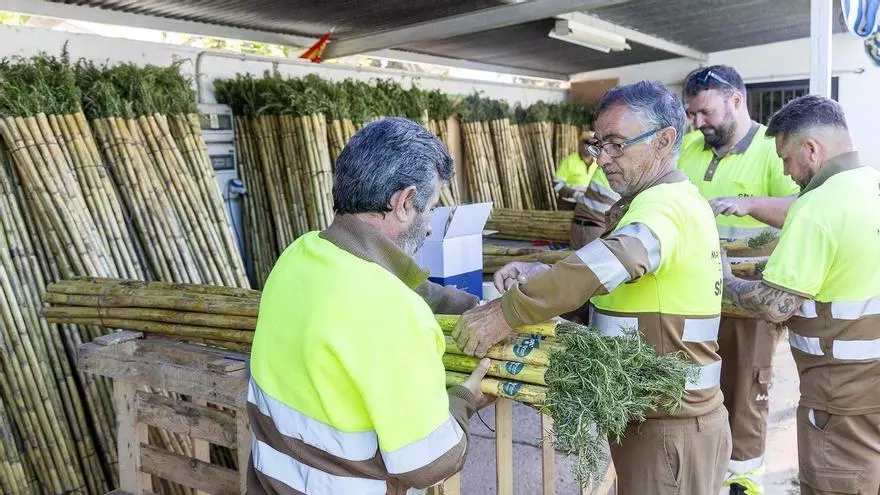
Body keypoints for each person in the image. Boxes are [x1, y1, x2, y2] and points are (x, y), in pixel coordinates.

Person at [453, 81, 732, 494]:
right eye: (599, 145)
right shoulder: (662, 201)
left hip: (671, 430)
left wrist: (504, 313)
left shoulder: (665, 206)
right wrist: (540, 270)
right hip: (658, 422)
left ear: (664, 141)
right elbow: (609, 274)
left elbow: (613, 259)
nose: (603, 159)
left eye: (617, 145)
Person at [247, 117, 492, 494]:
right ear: (404, 202)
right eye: (430, 207)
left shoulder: (297, 255)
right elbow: (428, 463)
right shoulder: (392, 311)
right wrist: (462, 400)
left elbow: (396, 283)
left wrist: (488, 306)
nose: (429, 226)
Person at [722, 95, 880, 495]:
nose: (785, 170)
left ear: (811, 149)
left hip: (840, 397)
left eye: (786, 158)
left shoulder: (816, 206)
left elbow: (777, 305)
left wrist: (724, 280)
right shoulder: (872, 184)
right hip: (872, 386)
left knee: (837, 483)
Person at [678, 65, 801, 495]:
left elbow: (803, 210)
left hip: (751, 300)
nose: (697, 123)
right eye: (691, 114)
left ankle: (743, 481)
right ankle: (701, 474)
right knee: (695, 384)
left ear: (736, 100)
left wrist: (749, 204)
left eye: (705, 112)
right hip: (693, 294)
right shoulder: (690, 149)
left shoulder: (773, 149)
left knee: (746, 390)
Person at [554, 130, 621, 249]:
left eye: (593, 144)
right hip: (570, 206)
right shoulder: (570, 160)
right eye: (586, 143)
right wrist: (573, 194)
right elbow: (557, 184)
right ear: (580, 144)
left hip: (588, 209)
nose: (589, 147)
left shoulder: (598, 163)